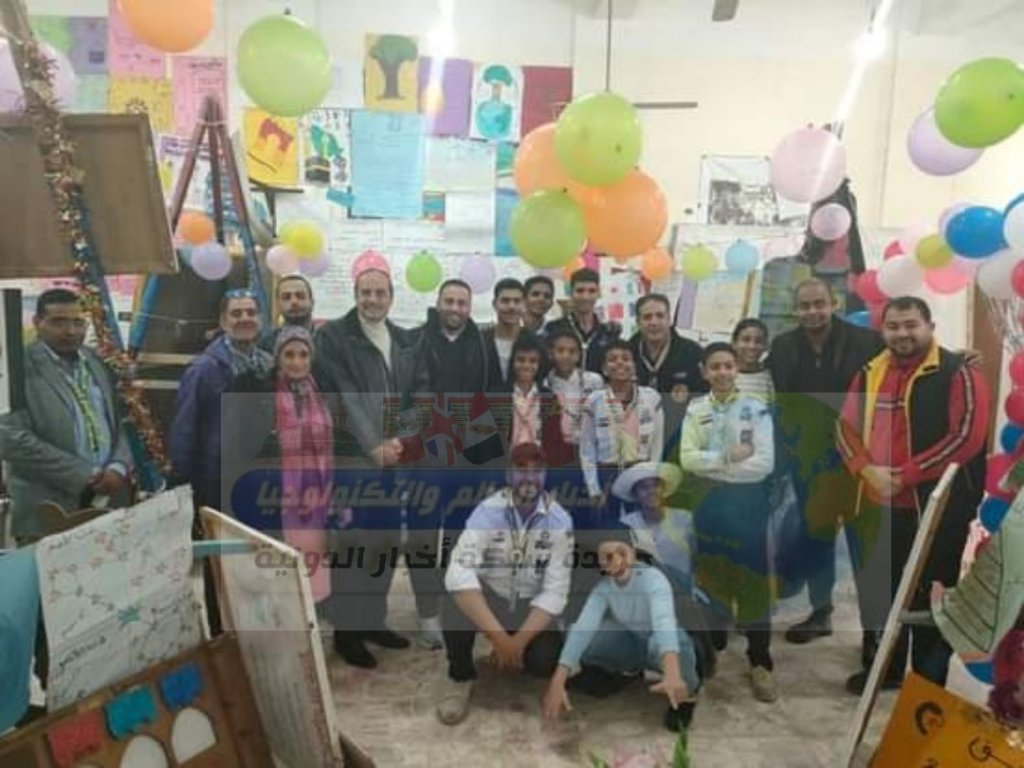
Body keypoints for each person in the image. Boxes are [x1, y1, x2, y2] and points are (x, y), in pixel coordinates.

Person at [836, 296, 989, 694]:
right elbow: (844, 428)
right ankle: (884, 672)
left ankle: (926, 686)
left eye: (911, 325)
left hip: (938, 511)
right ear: (882, 330)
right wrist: (865, 469)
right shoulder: (869, 372)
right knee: (881, 595)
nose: (902, 333)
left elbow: (966, 438)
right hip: (877, 505)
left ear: (930, 327)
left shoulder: (958, 372)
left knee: (930, 601)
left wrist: (906, 476)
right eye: (894, 326)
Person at [313, 252, 440, 666]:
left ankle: (373, 620)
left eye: (380, 292)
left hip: (395, 461)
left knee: (384, 544)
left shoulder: (404, 340)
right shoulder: (334, 337)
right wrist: (373, 446)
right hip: (354, 461)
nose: (372, 299)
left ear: (391, 296)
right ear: (355, 294)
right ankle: (347, 635)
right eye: (365, 292)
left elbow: (421, 393)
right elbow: (342, 396)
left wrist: (402, 440)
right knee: (353, 546)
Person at [768, 278, 884, 644]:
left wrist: (959, 358)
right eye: (804, 305)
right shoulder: (782, 346)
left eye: (819, 303)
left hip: (859, 461)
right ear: (795, 310)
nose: (812, 311)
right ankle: (821, 613)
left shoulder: (869, 341)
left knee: (865, 544)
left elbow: (906, 360)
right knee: (817, 539)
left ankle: (873, 630)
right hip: (809, 463)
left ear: (833, 303)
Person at [437, 443, 573, 726]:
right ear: (508, 474)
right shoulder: (487, 512)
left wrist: (516, 643)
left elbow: (555, 592)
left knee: (545, 660)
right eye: (521, 470)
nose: (529, 478)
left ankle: (511, 655)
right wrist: (499, 637)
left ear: (546, 475)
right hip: (492, 598)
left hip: (528, 605)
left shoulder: (560, 520)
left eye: (537, 471)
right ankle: (460, 677)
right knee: (452, 603)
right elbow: (458, 572)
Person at [679, 342, 777, 702]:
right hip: (710, 504)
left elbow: (763, 464)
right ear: (703, 371)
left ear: (737, 369)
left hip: (748, 504)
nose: (722, 372)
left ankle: (760, 660)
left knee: (753, 583)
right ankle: (712, 649)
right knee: (711, 579)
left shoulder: (756, 408)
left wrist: (715, 465)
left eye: (728, 366)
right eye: (715, 366)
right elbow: (687, 459)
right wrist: (727, 457)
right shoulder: (696, 409)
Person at [0, 289, 133, 543]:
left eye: (78, 322)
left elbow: (125, 420)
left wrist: (118, 467)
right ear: (37, 322)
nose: (70, 331)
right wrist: (85, 475)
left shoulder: (99, 362)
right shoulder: (16, 367)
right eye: (58, 322)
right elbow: (10, 438)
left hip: (109, 503)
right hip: (47, 508)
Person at [543, 524, 700, 733]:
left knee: (671, 642)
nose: (617, 561)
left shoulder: (653, 578)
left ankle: (686, 694)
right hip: (633, 641)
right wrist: (557, 681)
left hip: (662, 644)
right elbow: (583, 629)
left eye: (621, 552)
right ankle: (629, 671)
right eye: (608, 557)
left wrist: (672, 673)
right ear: (601, 564)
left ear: (633, 553)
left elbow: (664, 622)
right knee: (582, 635)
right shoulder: (603, 589)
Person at [229, 326, 341, 606]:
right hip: (280, 491)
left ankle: (313, 613)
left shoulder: (322, 389)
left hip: (318, 492)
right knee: (281, 562)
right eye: (289, 355)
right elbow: (246, 444)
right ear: (278, 357)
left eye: (303, 354)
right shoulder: (262, 391)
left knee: (314, 558)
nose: (297, 362)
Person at [170, 289, 272, 511]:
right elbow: (184, 430)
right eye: (236, 313)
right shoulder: (203, 370)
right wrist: (184, 484)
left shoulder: (269, 365)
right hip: (217, 482)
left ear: (260, 320)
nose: (245, 318)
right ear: (223, 322)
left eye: (251, 312)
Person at [579, 340, 664, 521]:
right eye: (612, 359)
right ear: (604, 369)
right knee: (610, 529)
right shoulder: (594, 401)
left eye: (626, 358)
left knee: (641, 530)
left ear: (634, 365)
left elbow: (657, 444)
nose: (619, 363)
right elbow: (587, 449)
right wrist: (593, 488)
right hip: (606, 476)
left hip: (640, 475)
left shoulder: (651, 398)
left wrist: (652, 480)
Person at [629, 294, 706, 456]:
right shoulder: (627, 352)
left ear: (669, 319)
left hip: (679, 438)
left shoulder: (692, 353)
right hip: (636, 438)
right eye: (647, 317)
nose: (654, 322)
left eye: (660, 316)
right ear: (638, 322)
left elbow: (704, 400)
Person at [614, 462, 695, 595]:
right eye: (644, 487)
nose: (651, 491)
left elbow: (698, 559)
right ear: (635, 495)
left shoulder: (685, 519)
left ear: (663, 489)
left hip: (683, 593)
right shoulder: (626, 525)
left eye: (655, 485)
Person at [498, 333, 573, 468]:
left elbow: (555, 442)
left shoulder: (550, 398)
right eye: (521, 360)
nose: (526, 365)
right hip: (507, 468)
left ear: (540, 364)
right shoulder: (498, 396)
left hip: (540, 467)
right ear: (512, 362)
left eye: (532, 361)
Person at [420, 279, 495, 395]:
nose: (454, 308)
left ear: (470, 308)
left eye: (461, 303)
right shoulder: (416, 342)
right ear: (438, 304)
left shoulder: (484, 346)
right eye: (449, 302)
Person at [544, 268, 620, 374]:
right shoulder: (554, 328)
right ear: (571, 292)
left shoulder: (608, 332)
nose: (585, 297)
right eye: (580, 291)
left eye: (591, 291)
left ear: (598, 293)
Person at [543, 328, 604, 447]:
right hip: (557, 445)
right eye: (560, 350)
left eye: (572, 351)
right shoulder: (545, 385)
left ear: (579, 355)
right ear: (551, 353)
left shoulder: (593, 381)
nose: (566, 356)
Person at [482, 278, 526, 388]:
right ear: (494, 304)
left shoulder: (535, 342)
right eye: (505, 301)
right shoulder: (479, 342)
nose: (511, 306)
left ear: (524, 304)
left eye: (517, 301)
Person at [259, 274, 316, 353]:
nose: (294, 302)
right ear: (278, 305)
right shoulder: (265, 346)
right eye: (286, 297)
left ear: (312, 302)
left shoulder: (327, 341)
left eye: (300, 296)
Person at [732, 318, 774, 402]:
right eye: (746, 340)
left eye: (758, 341)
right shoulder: (721, 376)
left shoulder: (771, 378)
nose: (752, 346)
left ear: (765, 346)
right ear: (734, 343)